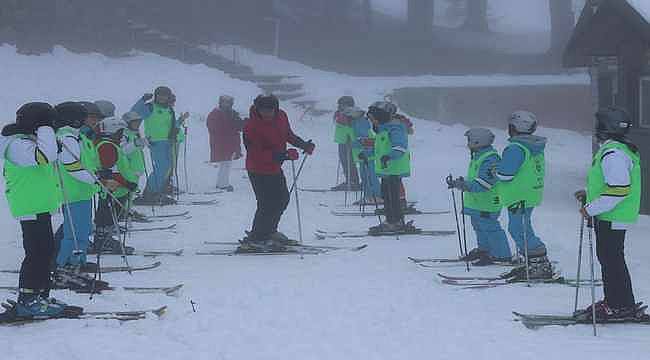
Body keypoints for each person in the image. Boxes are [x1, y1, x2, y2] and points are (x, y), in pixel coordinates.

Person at [575, 107, 645, 320]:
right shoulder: (619, 150)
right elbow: (610, 185)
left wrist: (590, 209)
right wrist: (589, 195)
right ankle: (618, 301)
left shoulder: (613, 153)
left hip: (611, 216)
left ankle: (619, 305)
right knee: (611, 259)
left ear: (605, 127)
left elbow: (618, 190)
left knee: (611, 260)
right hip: (612, 215)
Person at [1, 102, 66, 317]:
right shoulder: (16, 145)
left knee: (45, 251)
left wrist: (48, 137)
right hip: (29, 206)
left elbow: (48, 157)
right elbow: (44, 157)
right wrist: (46, 131)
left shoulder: (26, 141)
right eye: (48, 124)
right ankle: (28, 299)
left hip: (39, 205)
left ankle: (40, 295)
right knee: (36, 253)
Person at [241, 95, 315, 251]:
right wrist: (282, 155)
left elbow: (287, 134)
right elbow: (255, 153)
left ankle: (269, 231)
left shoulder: (281, 116)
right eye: (263, 110)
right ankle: (257, 237)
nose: (267, 114)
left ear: (276, 109)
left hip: (274, 168)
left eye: (270, 110)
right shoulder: (251, 126)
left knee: (282, 199)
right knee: (266, 203)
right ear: (257, 109)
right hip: (257, 169)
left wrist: (303, 145)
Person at [496, 110, 553, 279]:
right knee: (522, 227)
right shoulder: (534, 146)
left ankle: (539, 264)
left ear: (514, 127)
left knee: (518, 229)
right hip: (528, 194)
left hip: (518, 196)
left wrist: (496, 171)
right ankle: (531, 263)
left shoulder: (516, 148)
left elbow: (505, 175)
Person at [447, 128, 512, 266]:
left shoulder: (490, 159)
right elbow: (475, 178)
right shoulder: (479, 156)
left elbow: (485, 183)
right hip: (478, 202)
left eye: (469, 140)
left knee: (490, 227)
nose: (468, 143)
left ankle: (502, 255)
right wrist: (460, 182)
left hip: (487, 202)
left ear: (478, 141)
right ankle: (485, 250)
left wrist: (464, 185)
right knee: (478, 225)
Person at [53, 102, 99, 274]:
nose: (85, 120)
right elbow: (72, 167)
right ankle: (65, 264)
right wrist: (95, 180)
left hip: (81, 191)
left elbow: (84, 163)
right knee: (74, 231)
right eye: (82, 117)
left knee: (83, 229)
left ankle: (78, 261)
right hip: (73, 192)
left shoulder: (75, 136)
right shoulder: (67, 138)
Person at [89, 115, 138, 255]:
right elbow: (108, 171)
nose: (122, 135)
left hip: (117, 188)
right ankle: (103, 241)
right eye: (120, 132)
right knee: (107, 214)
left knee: (110, 214)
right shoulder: (107, 146)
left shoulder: (108, 144)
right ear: (113, 131)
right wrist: (127, 183)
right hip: (114, 189)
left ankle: (104, 239)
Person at [367, 102, 413, 233]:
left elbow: (400, 147)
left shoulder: (395, 128)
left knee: (392, 196)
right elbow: (379, 149)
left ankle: (396, 221)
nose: (372, 122)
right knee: (386, 195)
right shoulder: (382, 129)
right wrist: (366, 154)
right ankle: (390, 220)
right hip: (386, 169)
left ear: (380, 117)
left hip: (394, 168)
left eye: (373, 119)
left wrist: (389, 156)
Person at [131, 86, 175, 204]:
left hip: (167, 142)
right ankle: (150, 193)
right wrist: (142, 101)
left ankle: (156, 191)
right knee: (161, 168)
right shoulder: (150, 107)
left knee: (166, 168)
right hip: (155, 142)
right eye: (159, 95)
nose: (162, 97)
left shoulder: (169, 109)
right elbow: (133, 113)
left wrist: (173, 135)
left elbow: (172, 124)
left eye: (164, 95)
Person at [207, 95, 244, 192]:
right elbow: (212, 127)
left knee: (227, 163)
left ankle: (222, 183)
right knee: (225, 163)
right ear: (220, 102)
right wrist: (229, 128)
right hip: (221, 143)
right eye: (224, 102)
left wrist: (242, 123)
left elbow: (239, 125)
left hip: (231, 142)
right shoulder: (215, 113)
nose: (226, 104)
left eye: (228, 102)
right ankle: (223, 184)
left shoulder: (233, 113)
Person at [347, 106, 381, 204]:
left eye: (352, 114)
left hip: (366, 154)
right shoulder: (357, 123)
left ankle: (375, 196)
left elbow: (364, 140)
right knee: (366, 176)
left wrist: (352, 144)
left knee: (369, 176)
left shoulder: (361, 123)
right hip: (363, 154)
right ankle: (369, 196)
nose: (350, 116)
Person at [332, 96, 360, 191]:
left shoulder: (352, 114)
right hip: (342, 140)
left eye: (342, 104)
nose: (339, 106)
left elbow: (349, 125)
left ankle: (353, 182)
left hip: (349, 140)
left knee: (349, 161)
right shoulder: (340, 113)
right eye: (339, 104)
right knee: (344, 160)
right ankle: (350, 180)